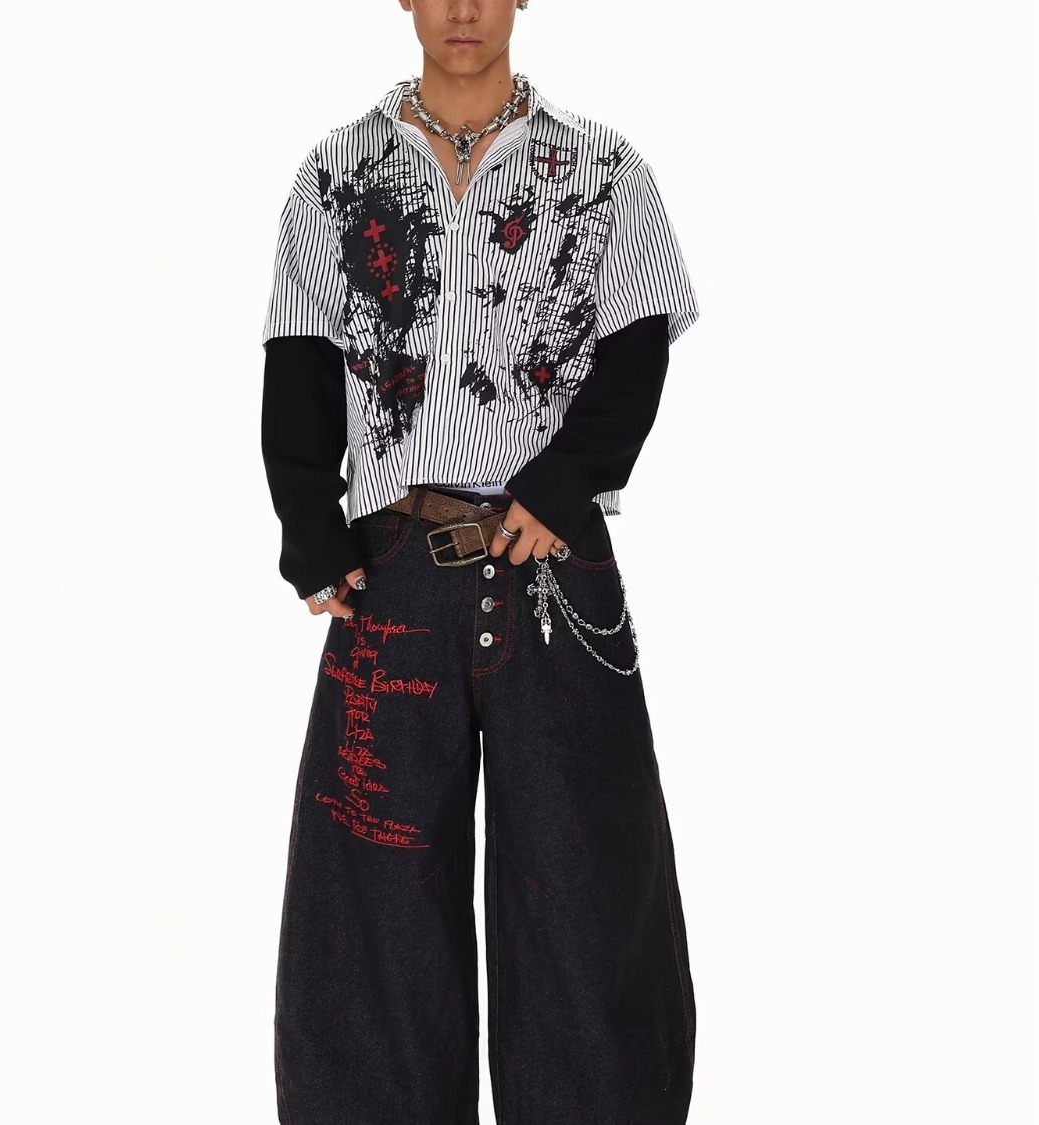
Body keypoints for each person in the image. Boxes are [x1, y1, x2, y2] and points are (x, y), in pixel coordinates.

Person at [259, 2, 700, 1121]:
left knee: (585, 882)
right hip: (394, 568)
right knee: (372, 894)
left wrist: (564, 484)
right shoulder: (335, 173)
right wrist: (310, 525)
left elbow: (636, 346)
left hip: (550, 563)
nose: (463, 7)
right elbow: (300, 354)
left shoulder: (602, 169)